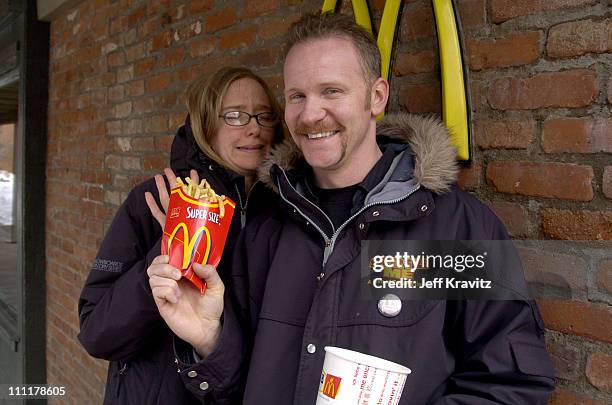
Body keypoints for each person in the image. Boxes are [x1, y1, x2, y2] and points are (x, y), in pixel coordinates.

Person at [147, 13, 555, 404]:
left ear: (376, 97)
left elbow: (510, 381)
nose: (310, 114)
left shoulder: (450, 227)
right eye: (297, 96)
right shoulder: (267, 223)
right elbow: (241, 384)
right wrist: (208, 340)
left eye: (331, 91)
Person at [77, 66, 285, 404]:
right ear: (205, 124)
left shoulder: (287, 211)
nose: (253, 128)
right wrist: (167, 254)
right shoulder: (154, 201)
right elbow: (97, 335)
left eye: (264, 116)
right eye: (234, 116)